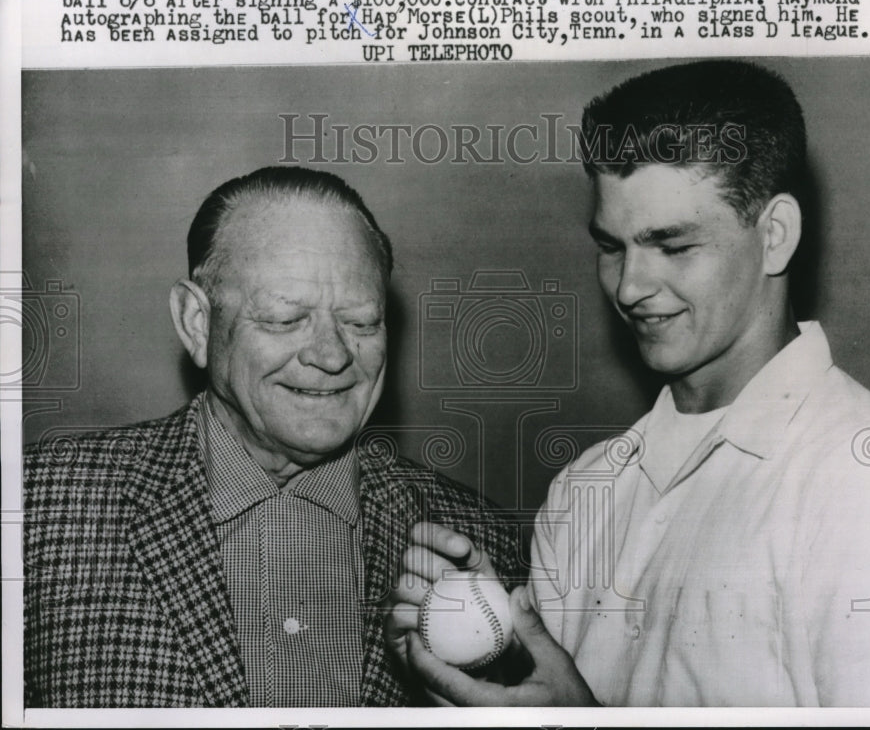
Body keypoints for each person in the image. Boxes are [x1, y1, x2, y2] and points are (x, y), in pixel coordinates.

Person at [388, 60, 870, 707]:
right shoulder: (582, 491)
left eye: (673, 245)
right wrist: (491, 664)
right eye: (612, 245)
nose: (630, 287)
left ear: (775, 236)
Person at [22, 166, 521, 708]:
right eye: (286, 319)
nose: (332, 356)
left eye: (361, 321)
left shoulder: (480, 540)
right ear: (197, 323)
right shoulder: (35, 509)